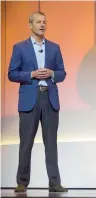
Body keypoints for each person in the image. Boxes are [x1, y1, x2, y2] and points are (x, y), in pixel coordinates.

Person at [8, 11, 67, 193]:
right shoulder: (20, 47)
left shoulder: (54, 47)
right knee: (26, 142)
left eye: (44, 22)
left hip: (49, 98)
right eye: (38, 22)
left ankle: (55, 183)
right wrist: (31, 75)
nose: (42, 25)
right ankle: (22, 182)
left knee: (51, 143)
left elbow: (62, 73)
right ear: (30, 25)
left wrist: (52, 74)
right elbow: (12, 73)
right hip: (29, 99)